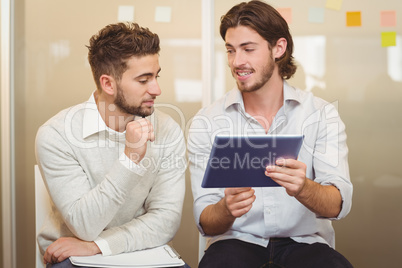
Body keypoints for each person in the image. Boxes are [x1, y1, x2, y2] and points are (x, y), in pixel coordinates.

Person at [187, 1, 353, 267]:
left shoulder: (321, 115)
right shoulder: (207, 122)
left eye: (248, 49)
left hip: (305, 243)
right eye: (231, 50)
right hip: (235, 243)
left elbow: (337, 206)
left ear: (279, 48)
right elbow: (206, 221)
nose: (237, 61)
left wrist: (304, 187)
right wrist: (225, 209)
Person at [35, 22, 186, 266]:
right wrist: (130, 159)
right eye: (143, 80)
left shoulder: (168, 130)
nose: (157, 89)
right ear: (108, 84)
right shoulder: (56, 135)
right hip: (73, 257)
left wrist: (98, 246)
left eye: (156, 76)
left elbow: (166, 219)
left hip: (143, 251)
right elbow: (84, 226)